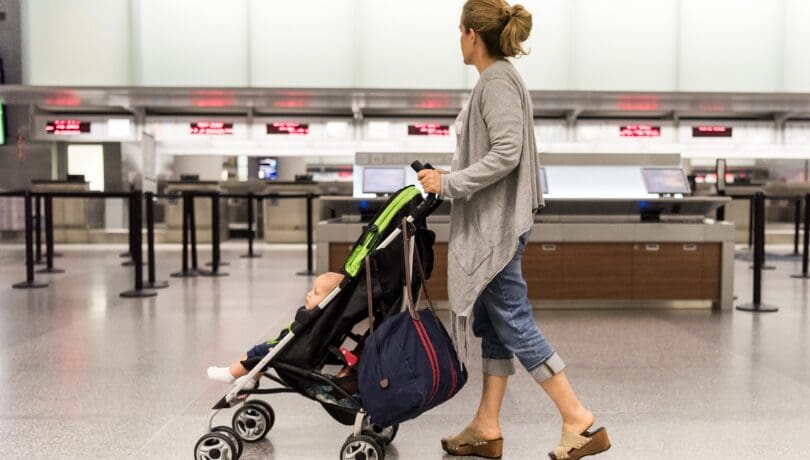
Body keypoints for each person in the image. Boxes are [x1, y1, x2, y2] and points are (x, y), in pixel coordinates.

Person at [418, 1, 611, 459]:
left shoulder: (497, 81)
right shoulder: (496, 79)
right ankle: (486, 425)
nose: (458, 39)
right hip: (495, 225)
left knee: (514, 321)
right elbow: (496, 151)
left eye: (459, 31)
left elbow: (506, 153)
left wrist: (450, 183)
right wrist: (449, 176)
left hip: (497, 231)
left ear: (472, 34)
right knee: (495, 326)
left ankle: (578, 420)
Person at [207, 272, 347, 388]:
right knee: (264, 354)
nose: (309, 294)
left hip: (293, 352)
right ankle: (251, 380)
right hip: (297, 349)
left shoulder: (315, 319)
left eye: (316, 293)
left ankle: (231, 374)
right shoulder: (327, 320)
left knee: (259, 353)